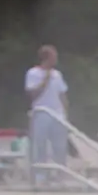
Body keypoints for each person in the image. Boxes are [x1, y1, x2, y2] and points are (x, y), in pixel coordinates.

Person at [25, 45, 70, 186]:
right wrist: (45, 80)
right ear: (46, 58)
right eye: (53, 56)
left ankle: (60, 176)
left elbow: (62, 95)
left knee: (60, 146)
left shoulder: (58, 75)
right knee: (40, 145)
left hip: (58, 114)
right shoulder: (33, 73)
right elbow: (32, 94)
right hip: (41, 113)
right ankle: (40, 176)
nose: (56, 59)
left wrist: (66, 114)